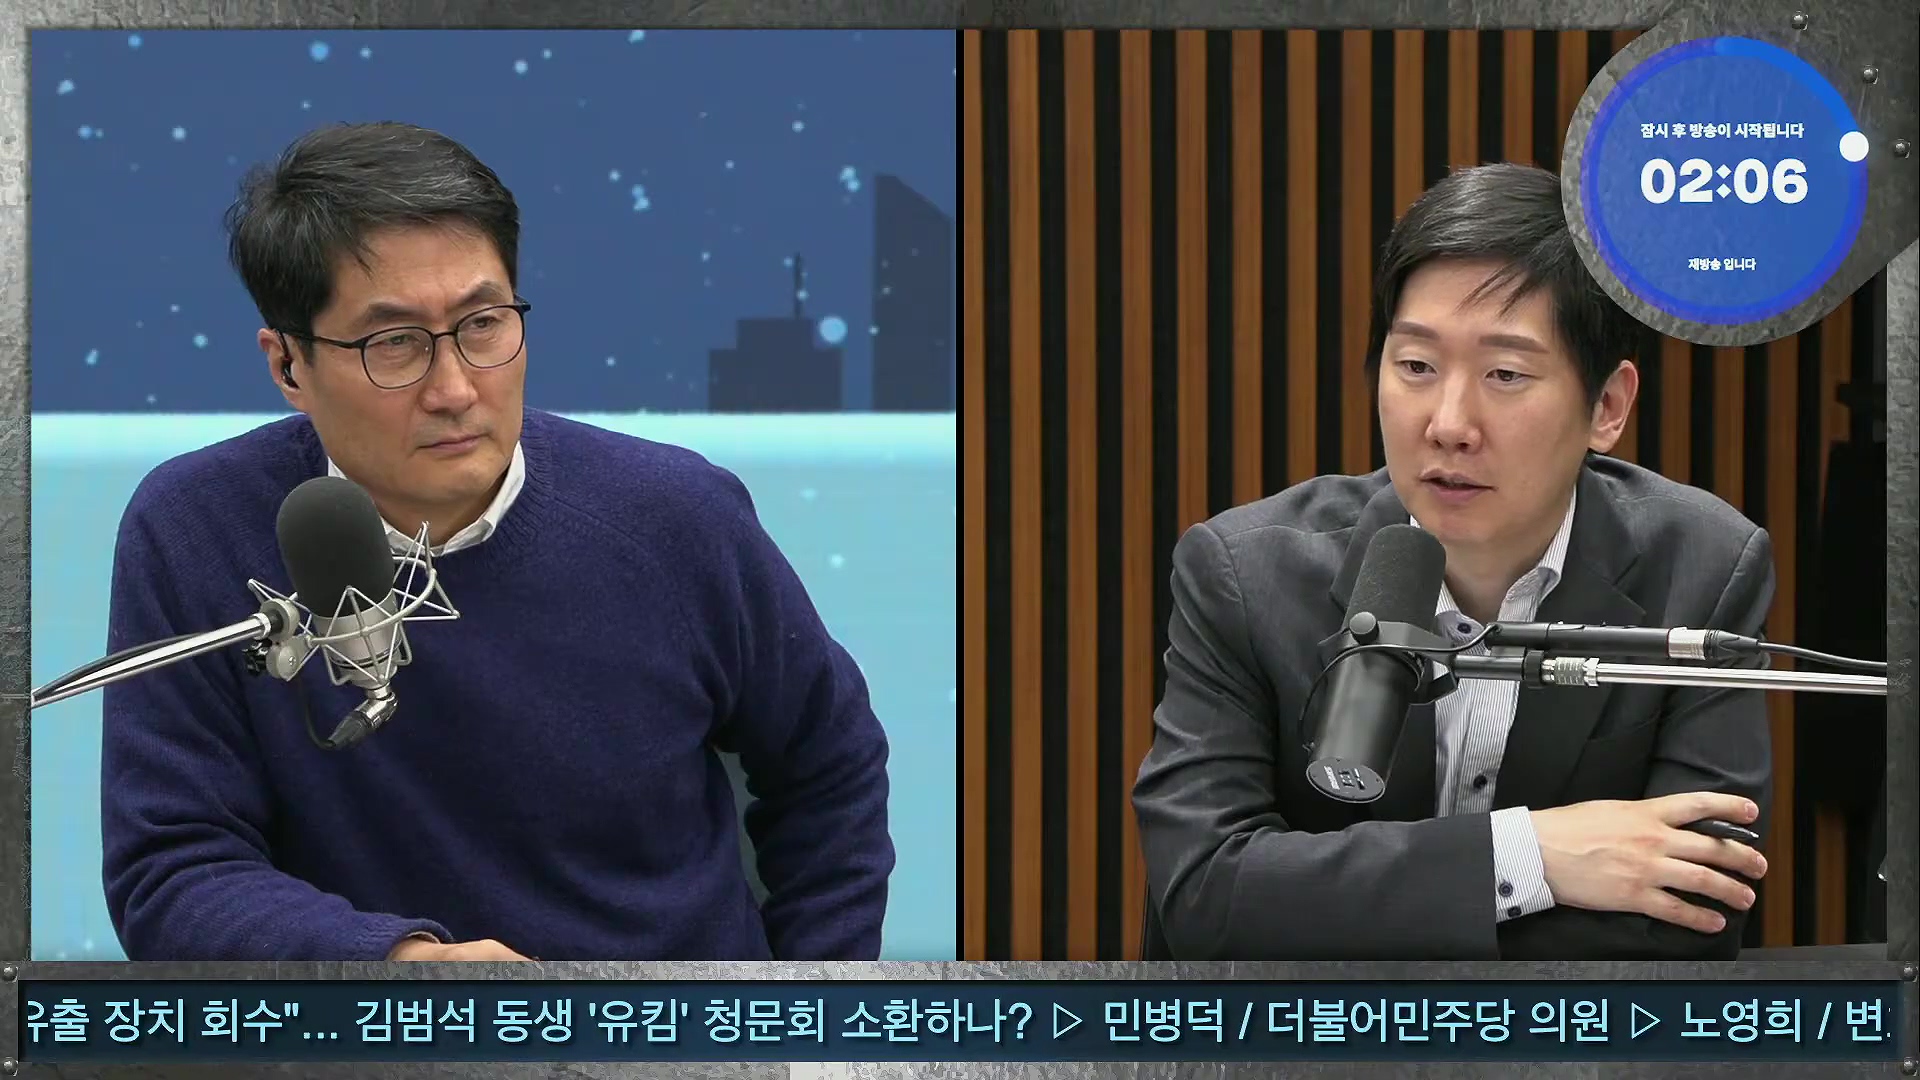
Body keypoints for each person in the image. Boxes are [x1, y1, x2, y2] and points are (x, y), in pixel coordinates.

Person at [99, 122, 895, 962]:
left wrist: (803, 1012)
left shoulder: (676, 517)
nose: (454, 389)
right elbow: (174, 867)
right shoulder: (195, 528)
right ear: (288, 364)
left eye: (483, 324)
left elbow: (830, 767)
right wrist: (398, 968)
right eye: (393, 344)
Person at [1131, 162, 1775, 962]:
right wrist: (1530, 857)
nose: (1448, 424)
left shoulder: (1704, 570)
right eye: (1416, 366)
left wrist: (1335, 903)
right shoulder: (1242, 575)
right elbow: (1204, 895)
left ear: (1607, 406)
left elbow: (1695, 908)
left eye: (1506, 374)